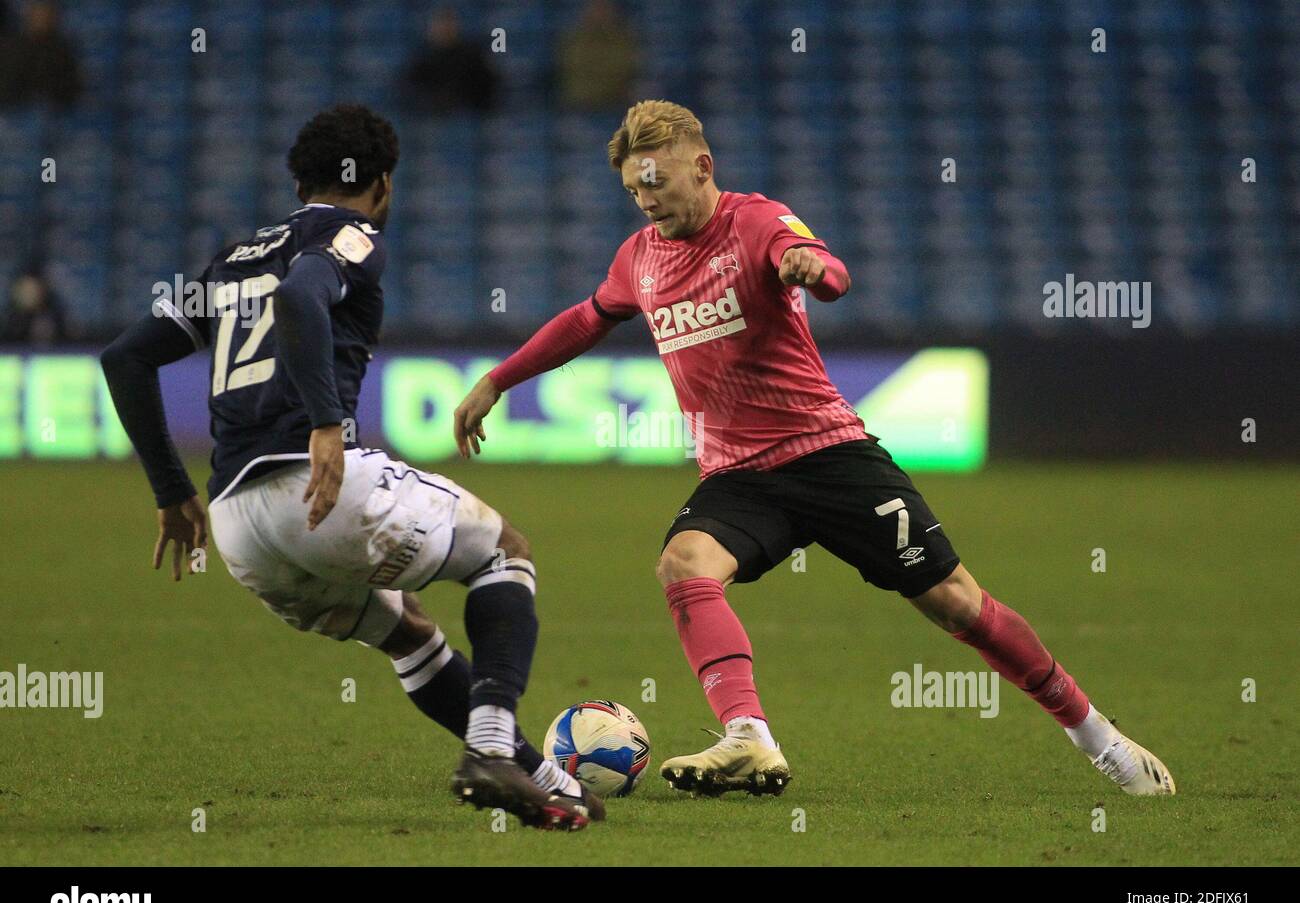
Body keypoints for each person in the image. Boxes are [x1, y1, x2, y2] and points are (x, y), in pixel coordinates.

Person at [453, 100, 1175, 800]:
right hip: (738, 475)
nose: (644, 200)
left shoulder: (757, 221)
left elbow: (826, 269)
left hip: (827, 455)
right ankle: (747, 735)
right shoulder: (637, 258)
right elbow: (586, 319)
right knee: (683, 563)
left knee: (957, 604)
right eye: (632, 188)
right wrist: (496, 379)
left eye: (656, 182)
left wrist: (810, 268)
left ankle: (1099, 739)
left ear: (701, 167)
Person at [100, 104, 601, 830]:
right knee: (505, 554)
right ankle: (491, 748)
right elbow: (305, 294)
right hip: (317, 489)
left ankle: (542, 776)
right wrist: (326, 424)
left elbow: (125, 357)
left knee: (409, 633)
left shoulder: (231, 259)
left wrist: (171, 490)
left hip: (239, 526)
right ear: (384, 184)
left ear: (299, 179)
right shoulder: (353, 233)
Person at [401, 8, 497, 114]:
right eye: (440, 24)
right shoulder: (423, 59)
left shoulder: (472, 57)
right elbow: (412, 90)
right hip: (434, 114)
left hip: (467, 113)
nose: (445, 29)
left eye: (449, 23)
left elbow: (487, 87)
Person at [0, 1, 82, 110]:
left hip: (53, 116)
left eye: (47, 11)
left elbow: (69, 94)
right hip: (15, 115)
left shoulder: (62, 51)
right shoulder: (10, 49)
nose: (42, 17)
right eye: (37, 11)